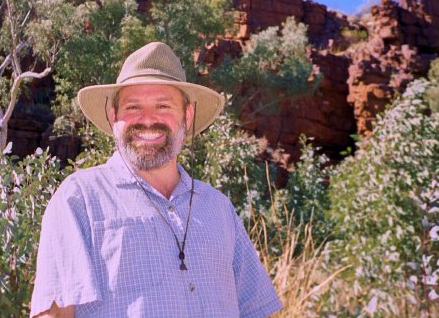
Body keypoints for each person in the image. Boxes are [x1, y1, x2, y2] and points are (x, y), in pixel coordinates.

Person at [30, 42, 282, 317]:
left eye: (163, 106)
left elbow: (255, 311)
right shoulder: (80, 198)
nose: (148, 120)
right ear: (113, 116)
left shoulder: (219, 208)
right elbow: (53, 314)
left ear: (187, 116)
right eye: (133, 107)